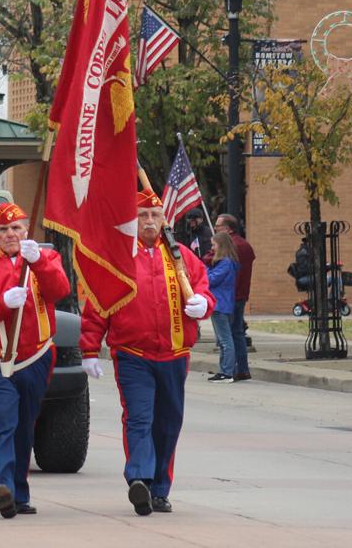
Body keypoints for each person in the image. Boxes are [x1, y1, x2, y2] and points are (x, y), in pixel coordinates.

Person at [80, 189, 214, 517]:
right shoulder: (119, 258)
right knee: (139, 418)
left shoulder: (181, 257)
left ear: (164, 219)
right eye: (143, 215)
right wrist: (89, 348)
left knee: (168, 423)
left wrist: (203, 305)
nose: (150, 221)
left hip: (174, 353)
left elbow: (204, 291)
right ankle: (139, 477)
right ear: (133, 220)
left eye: (155, 215)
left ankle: (159, 490)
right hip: (132, 352)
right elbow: (98, 305)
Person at [0, 202, 70, 518]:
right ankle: (4, 486)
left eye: (16, 228)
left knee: (25, 426)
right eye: (3, 230)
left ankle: (20, 493)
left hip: (35, 357)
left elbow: (59, 290)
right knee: (2, 422)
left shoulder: (45, 259)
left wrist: (39, 264)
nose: (10, 234)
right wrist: (2, 304)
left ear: (27, 230)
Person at [213, 213, 255, 382]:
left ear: (227, 229)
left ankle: (229, 369)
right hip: (240, 294)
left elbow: (217, 272)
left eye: (218, 226)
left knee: (227, 336)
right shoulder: (245, 245)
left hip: (229, 296)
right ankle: (242, 369)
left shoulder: (230, 248)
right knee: (237, 333)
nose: (215, 229)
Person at [206, 232, 240, 383]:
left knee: (225, 340)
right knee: (223, 340)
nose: (212, 248)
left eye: (214, 245)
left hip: (220, 303)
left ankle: (227, 372)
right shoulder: (227, 262)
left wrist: (203, 268)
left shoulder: (226, 262)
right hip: (223, 302)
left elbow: (211, 279)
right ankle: (225, 370)